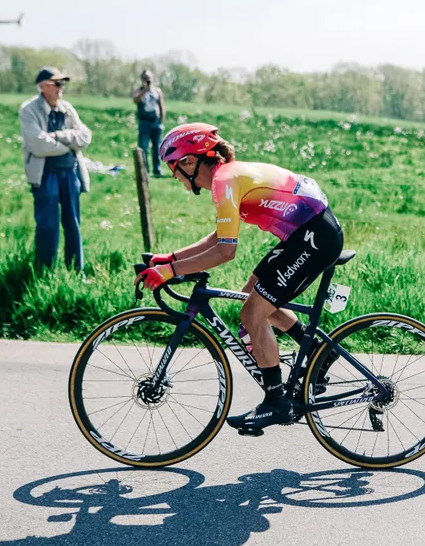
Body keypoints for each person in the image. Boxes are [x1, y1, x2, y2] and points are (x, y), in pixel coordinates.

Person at [134, 123, 344, 431]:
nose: (174, 175)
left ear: (190, 161)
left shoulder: (224, 181)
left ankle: (276, 402)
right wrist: (171, 259)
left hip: (314, 237)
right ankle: (315, 352)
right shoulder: (227, 178)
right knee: (253, 295)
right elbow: (220, 236)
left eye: (174, 167)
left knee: (252, 312)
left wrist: (170, 272)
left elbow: (225, 251)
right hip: (306, 233)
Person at [19, 67, 92, 270]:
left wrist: (59, 136)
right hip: (45, 175)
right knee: (47, 226)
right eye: (57, 83)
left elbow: (85, 137)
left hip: (70, 173)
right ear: (42, 87)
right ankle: (44, 271)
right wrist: (69, 146)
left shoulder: (67, 108)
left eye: (63, 83)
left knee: (73, 224)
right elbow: (38, 144)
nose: (61, 88)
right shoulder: (28, 110)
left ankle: (77, 272)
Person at [131, 69, 165, 177]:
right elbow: (135, 100)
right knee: (143, 147)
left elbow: (161, 106)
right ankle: (144, 170)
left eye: (149, 77)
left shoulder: (157, 91)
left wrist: (161, 121)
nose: (148, 79)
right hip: (144, 122)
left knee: (157, 148)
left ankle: (157, 169)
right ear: (142, 79)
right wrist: (145, 90)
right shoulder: (139, 91)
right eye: (145, 77)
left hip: (156, 122)